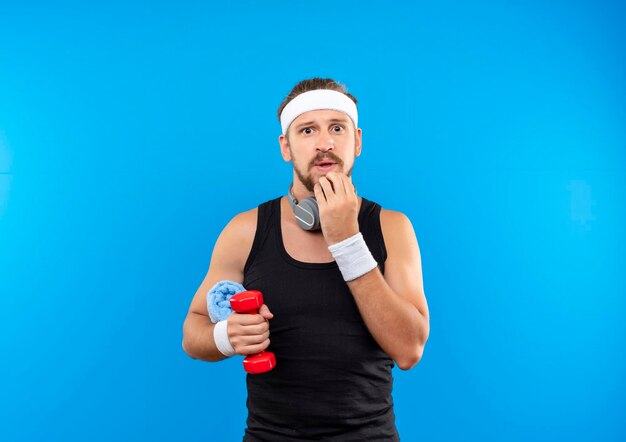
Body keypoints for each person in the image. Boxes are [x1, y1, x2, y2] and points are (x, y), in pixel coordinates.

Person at [182, 77, 430, 441]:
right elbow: (193, 333)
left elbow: (409, 349)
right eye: (308, 130)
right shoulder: (245, 230)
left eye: (337, 128)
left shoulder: (392, 228)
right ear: (286, 147)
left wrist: (347, 240)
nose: (325, 143)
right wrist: (225, 336)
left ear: (357, 140)